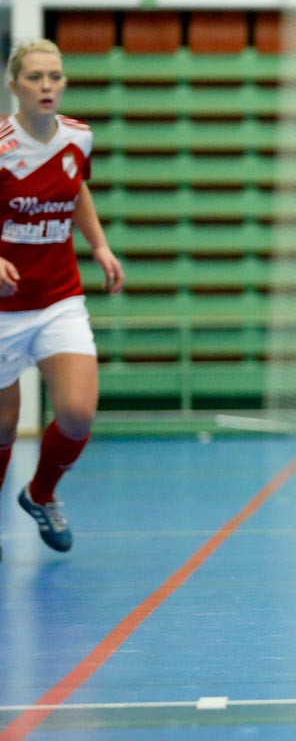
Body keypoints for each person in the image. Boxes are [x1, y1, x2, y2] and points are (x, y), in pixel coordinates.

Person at [0, 39, 124, 564]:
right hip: (3, 308)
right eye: (35, 77)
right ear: (14, 86)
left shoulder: (78, 138)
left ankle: (42, 493)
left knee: (76, 412)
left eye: (55, 76)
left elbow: (76, 192)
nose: (47, 86)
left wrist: (99, 244)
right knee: (4, 427)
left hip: (58, 299)